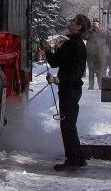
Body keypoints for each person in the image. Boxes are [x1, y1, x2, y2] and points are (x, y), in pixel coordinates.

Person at [45, 13, 89, 171]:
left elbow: (76, 71)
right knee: (67, 124)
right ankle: (76, 157)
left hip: (71, 88)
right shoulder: (69, 43)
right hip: (67, 87)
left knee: (68, 124)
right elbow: (56, 62)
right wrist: (48, 51)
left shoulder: (76, 45)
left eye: (73, 21)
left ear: (79, 26)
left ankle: (75, 158)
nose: (69, 22)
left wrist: (60, 80)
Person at [85, 18, 106, 89]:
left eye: (96, 25)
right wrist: (89, 31)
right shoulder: (90, 32)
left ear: (99, 26)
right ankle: (91, 85)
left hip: (99, 55)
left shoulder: (102, 33)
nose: (95, 27)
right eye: (94, 25)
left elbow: (105, 39)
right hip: (90, 55)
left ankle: (100, 85)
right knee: (91, 71)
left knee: (99, 72)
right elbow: (85, 36)